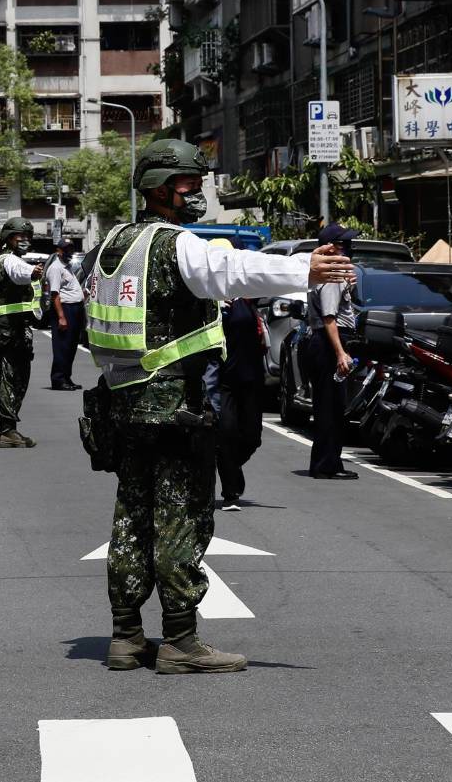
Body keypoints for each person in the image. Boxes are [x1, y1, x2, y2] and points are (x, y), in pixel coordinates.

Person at [82, 139, 354, 675]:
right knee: (181, 517)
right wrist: (305, 269)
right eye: (188, 185)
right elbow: (228, 269)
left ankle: (126, 636)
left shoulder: (112, 244)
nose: (197, 194)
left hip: (122, 405)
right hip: (173, 407)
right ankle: (181, 642)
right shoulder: (172, 243)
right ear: (159, 189)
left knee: (132, 517)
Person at [203, 238, 267, 511]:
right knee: (226, 433)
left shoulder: (246, 295)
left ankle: (227, 464)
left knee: (251, 437)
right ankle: (231, 490)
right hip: (223, 381)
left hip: (251, 377)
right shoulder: (206, 299)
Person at [307, 224, 360, 480]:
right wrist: (340, 353)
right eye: (342, 244)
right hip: (329, 343)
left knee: (333, 406)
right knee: (329, 406)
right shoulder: (330, 276)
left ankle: (329, 462)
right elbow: (330, 318)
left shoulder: (337, 275)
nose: (348, 249)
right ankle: (325, 465)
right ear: (329, 248)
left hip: (330, 341)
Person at [0, 217, 43, 447]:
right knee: (12, 378)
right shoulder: (9, 260)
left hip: (8, 328)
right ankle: (7, 430)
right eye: (20, 236)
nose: (25, 240)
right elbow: (19, 271)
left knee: (14, 377)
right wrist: (33, 272)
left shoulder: (1, 260)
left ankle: (9, 429)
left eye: (28, 237)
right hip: (11, 330)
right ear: (8, 238)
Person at [45, 236, 85, 391]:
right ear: (58, 251)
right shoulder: (55, 268)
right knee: (62, 347)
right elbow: (54, 294)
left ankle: (67, 378)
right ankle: (58, 379)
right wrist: (61, 316)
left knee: (71, 346)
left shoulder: (67, 267)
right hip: (65, 310)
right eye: (66, 249)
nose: (69, 252)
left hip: (75, 309)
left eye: (71, 249)